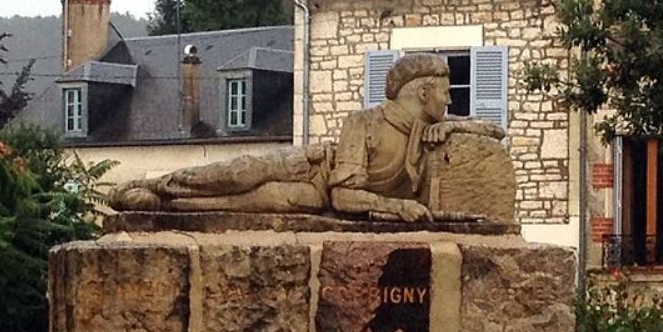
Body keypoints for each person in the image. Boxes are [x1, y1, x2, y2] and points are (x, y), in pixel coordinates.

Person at [108, 53, 504, 222]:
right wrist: (399, 208)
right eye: (444, 91)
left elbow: (495, 131)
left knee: (250, 204)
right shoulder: (364, 122)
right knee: (237, 173)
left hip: (311, 197)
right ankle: (153, 185)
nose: (450, 99)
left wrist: (455, 125)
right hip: (309, 169)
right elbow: (344, 194)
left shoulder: (428, 133)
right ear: (422, 92)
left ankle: (162, 207)